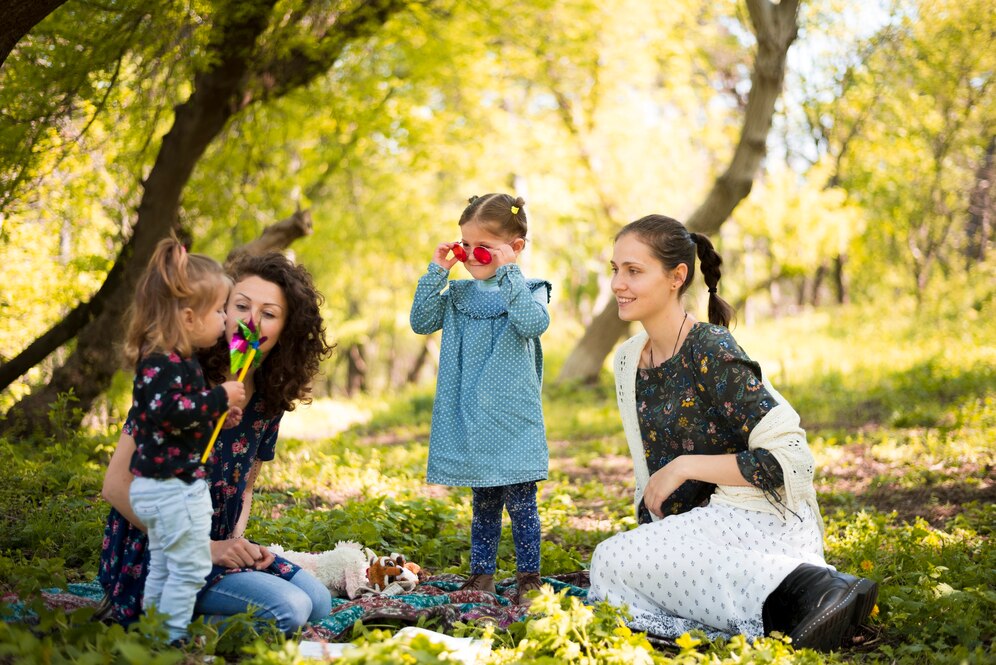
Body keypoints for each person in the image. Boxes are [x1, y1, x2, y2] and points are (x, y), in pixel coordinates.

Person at [587, 215, 877, 652]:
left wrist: (684, 467)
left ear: (676, 277)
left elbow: (790, 462)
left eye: (633, 271)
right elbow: (651, 476)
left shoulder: (710, 349)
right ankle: (786, 595)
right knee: (614, 565)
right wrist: (656, 538)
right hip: (703, 529)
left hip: (760, 518)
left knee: (610, 559)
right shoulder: (629, 360)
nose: (618, 284)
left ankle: (813, 589)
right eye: (615, 269)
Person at [99, 251, 335, 637]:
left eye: (269, 313)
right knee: (292, 609)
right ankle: (147, 624)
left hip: (218, 547)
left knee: (319, 602)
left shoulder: (268, 398)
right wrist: (205, 548)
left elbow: (243, 489)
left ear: (286, 329)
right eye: (240, 306)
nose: (251, 321)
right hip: (161, 550)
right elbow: (115, 487)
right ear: (219, 310)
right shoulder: (178, 383)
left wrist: (234, 542)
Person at [410, 194, 551, 604]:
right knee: (484, 503)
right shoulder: (456, 295)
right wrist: (437, 270)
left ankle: (529, 578)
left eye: (482, 247)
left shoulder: (530, 290)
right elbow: (421, 322)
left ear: (515, 249)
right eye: (464, 245)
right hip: (470, 415)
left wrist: (509, 274)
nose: (470, 255)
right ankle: (482, 575)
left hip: (513, 418)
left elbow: (531, 324)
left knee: (522, 504)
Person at [121, 237, 245, 644]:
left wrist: (218, 418)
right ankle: (169, 642)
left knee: (165, 565)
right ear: (189, 317)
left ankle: (153, 636)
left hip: (170, 485)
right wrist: (219, 396)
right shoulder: (160, 363)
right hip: (168, 489)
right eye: (220, 310)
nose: (227, 319)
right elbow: (167, 413)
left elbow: (176, 426)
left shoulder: (179, 361)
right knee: (190, 568)